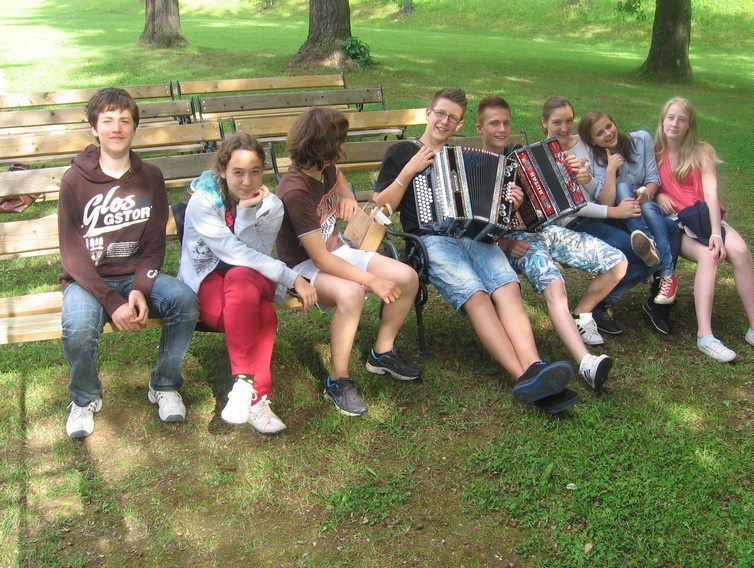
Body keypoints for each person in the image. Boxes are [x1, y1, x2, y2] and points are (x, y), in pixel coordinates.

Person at [372, 88, 579, 414]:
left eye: (452, 118)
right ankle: (524, 377)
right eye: (440, 113)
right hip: (430, 240)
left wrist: (510, 200)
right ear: (428, 113)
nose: (444, 121)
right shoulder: (401, 152)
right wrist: (409, 170)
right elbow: (381, 208)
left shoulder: (460, 156)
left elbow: (489, 210)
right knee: (477, 295)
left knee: (508, 287)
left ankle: (535, 365)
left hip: (471, 236)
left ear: (459, 124)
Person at [58, 88, 199, 439]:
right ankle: (85, 398)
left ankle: (164, 384)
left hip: (134, 276)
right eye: (107, 121)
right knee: (77, 326)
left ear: (135, 127)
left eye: (124, 120)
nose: (116, 128)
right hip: (88, 282)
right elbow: (72, 253)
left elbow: (153, 244)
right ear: (94, 128)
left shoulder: (150, 176)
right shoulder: (74, 179)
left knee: (184, 300)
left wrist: (140, 287)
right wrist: (111, 300)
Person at [276, 107, 422, 417]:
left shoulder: (325, 168)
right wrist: (371, 281)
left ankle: (382, 353)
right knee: (352, 293)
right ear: (324, 147)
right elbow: (320, 258)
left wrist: (346, 195)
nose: (343, 146)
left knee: (407, 277)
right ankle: (338, 381)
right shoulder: (295, 190)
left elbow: (338, 175)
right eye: (339, 141)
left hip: (336, 250)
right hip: (302, 266)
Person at [476, 95, 621, 392]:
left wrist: (575, 174)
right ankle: (586, 362)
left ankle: (579, 314)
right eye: (494, 124)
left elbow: (557, 196)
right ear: (480, 128)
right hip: (513, 241)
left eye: (506, 123)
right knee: (555, 284)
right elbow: (471, 226)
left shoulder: (521, 157)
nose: (502, 129)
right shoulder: (474, 166)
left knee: (617, 262)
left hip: (546, 230)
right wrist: (504, 242)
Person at [178, 134, 317, 433]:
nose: (247, 181)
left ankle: (242, 384)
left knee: (241, 276)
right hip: (209, 279)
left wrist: (246, 212)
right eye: (238, 172)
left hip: (255, 279)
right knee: (263, 315)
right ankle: (257, 398)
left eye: (255, 172)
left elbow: (256, 255)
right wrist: (293, 277)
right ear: (222, 171)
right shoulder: (203, 202)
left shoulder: (272, 206)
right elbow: (232, 252)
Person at [542, 97, 681, 335]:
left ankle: (658, 294)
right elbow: (574, 206)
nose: (564, 128)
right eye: (557, 122)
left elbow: (595, 190)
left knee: (670, 229)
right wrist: (615, 210)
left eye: (568, 121)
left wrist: (588, 179)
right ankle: (594, 306)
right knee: (641, 252)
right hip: (573, 222)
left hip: (600, 214)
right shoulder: (542, 156)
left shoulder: (584, 144)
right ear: (544, 123)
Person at [654, 97, 754, 362]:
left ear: (689, 125)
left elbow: (711, 195)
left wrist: (716, 233)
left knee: (740, 251)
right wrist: (658, 195)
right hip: (677, 224)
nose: (675, 124)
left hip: (705, 218)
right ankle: (705, 337)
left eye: (682, 119)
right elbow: (643, 184)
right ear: (662, 120)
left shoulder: (702, 151)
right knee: (709, 256)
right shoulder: (654, 152)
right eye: (671, 117)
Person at [579, 109, 680, 308]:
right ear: (593, 141)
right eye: (599, 134)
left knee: (660, 218)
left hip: (644, 205)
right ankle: (666, 272)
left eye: (609, 126)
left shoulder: (641, 140)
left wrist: (644, 195)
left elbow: (653, 179)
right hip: (618, 215)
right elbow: (606, 203)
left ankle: (654, 254)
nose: (608, 133)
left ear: (614, 122)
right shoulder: (595, 159)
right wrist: (611, 169)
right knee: (622, 187)